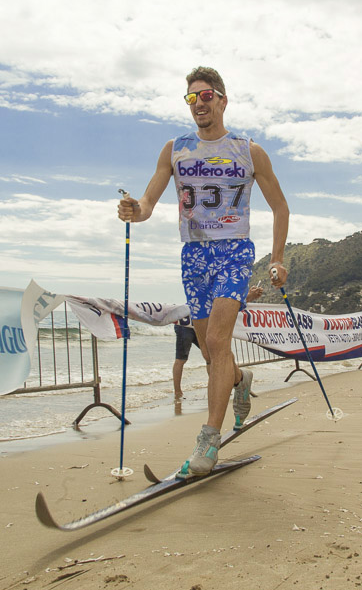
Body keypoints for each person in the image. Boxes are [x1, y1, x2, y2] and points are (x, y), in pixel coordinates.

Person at [118, 66, 290, 476]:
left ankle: (208, 442)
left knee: (217, 338)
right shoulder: (174, 149)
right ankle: (239, 380)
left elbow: (280, 206)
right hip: (193, 255)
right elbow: (146, 205)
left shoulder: (249, 151)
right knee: (212, 353)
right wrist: (133, 211)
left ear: (222, 99)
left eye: (206, 96)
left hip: (233, 252)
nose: (199, 103)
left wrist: (277, 257)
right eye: (191, 98)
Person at [172, 284, 264, 403]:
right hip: (187, 321)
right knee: (181, 359)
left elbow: (227, 302)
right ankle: (177, 393)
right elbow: (222, 302)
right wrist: (248, 297)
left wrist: (248, 297)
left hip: (204, 319)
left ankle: (223, 386)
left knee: (214, 356)